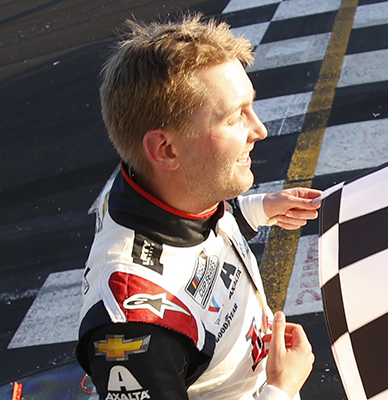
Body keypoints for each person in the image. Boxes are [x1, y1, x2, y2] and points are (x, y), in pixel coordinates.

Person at [76, 13, 322, 400]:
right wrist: (282, 388)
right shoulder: (134, 328)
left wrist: (257, 209)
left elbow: (193, 225)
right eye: (235, 117)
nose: (259, 130)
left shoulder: (157, 185)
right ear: (166, 149)